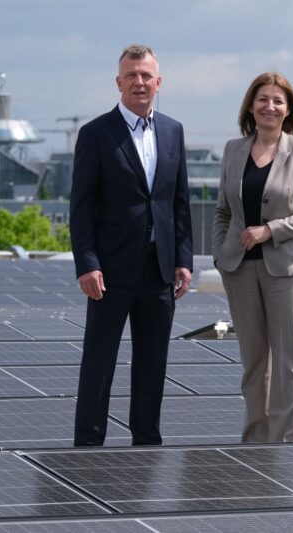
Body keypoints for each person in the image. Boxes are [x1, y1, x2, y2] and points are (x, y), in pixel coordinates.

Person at [70, 44, 193, 446]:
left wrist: (183, 260)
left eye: (146, 76)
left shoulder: (173, 130)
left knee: (153, 363)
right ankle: (88, 445)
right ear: (118, 82)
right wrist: (87, 263)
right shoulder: (95, 134)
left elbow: (178, 202)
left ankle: (146, 442)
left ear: (158, 83)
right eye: (131, 75)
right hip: (109, 271)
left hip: (159, 271)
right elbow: (81, 206)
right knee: (99, 362)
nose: (139, 82)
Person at [212, 72, 293, 443]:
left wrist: (272, 230)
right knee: (254, 364)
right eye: (263, 99)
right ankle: (256, 447)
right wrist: (220, 254)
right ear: (250, 105)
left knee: (288, 365)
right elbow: (222, 212)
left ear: (288, 110)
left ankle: (289, 447)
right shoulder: (233, 150)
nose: (270, 106)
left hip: (286, 273)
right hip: (240, 271)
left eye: (278, 101)